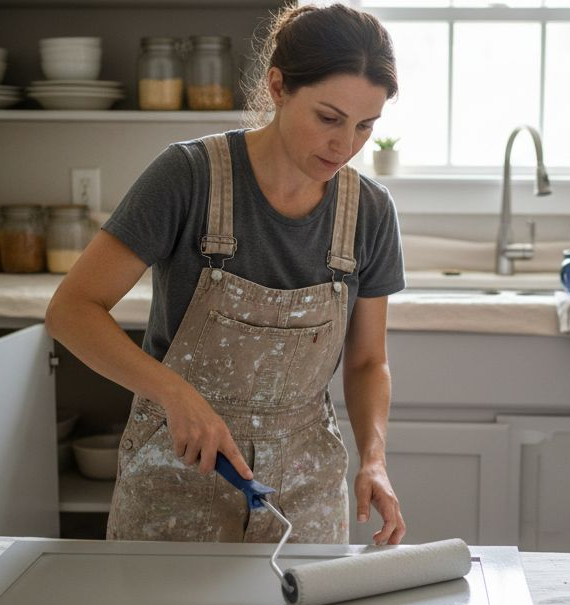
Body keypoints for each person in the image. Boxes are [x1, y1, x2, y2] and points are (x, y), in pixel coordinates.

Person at [45, 3, 407, 547]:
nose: (345, 145)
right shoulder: (189, 177)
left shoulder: (370, 212)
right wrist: (174, 393)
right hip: (178, 472)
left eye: (365, 126)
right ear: (278, 87)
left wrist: (374, 458)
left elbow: (367, 361)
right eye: (328, 118)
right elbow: (71, 311)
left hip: (306, 484)